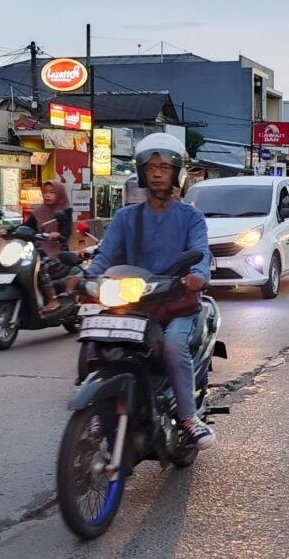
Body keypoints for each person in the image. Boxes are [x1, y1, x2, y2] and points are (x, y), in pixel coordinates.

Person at [82, 133, 216, 449]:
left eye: (164, 167)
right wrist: (84, 277)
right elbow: (105, 257)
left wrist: (197, 276)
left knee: (172, 344)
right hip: (134, 304)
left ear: (176, 173)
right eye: (151, 167)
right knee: (95, 339)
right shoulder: (125, 217)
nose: (157, 173)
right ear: (142, 172)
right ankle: (96, 406)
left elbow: (200, 253)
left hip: (176, 303)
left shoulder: (191, 217)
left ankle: (188, 418)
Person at [24, 181, 76, 314]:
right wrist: (8, 231)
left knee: (40, 267)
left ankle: (52, 299)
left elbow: (67, 230)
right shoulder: (38, 212)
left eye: (52, 192)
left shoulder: (65, 211)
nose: (47, 195)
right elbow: (26, 227)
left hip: (59, 255)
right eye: (45, 192)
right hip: (39, 252)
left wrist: (59, 235)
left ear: (59, 194)